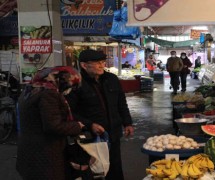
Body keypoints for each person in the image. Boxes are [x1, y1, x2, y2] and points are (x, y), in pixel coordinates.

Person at [65, 49, 134, 180]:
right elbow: (69, 111)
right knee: (95, 171)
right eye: (97, 63)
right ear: (84, 65)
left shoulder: (111, 79)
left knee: (115, 168)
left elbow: (121, 103)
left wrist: (127, 122)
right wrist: (90, 125)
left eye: (103, 62)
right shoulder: (76, 84)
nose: (102, 65)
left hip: (113, 133)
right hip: (91, 138)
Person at [16, 66, 84, 180]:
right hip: (45, 152)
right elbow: (53, 126)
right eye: (69, 84)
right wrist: (77, 126)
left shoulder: (31, 89)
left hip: (30, 149)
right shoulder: (48, 93)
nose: (68, 89)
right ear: (60, 80)